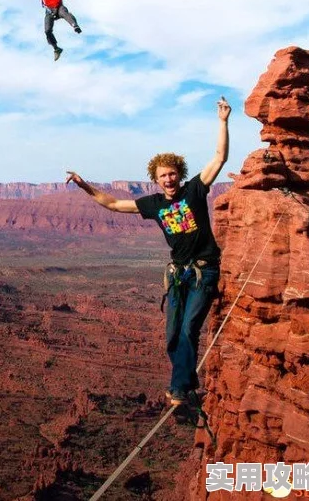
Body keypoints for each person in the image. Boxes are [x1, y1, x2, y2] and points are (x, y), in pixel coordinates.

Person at [66, 96, 231, 405]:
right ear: (156, 179)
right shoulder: (154, 205)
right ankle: (186, 379)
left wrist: (222, 122)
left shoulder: (194, 190)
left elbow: (219, 157)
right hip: (179, 274)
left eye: (172, 174)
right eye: (162, 176)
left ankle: (180, 388)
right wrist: (83, 185)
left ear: (179, 174)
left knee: (188, 330)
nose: (168, 179)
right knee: (172, 337)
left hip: (204, 271)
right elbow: (114, 204)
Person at [17, 0, 82, 61]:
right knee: (47, 31)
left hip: (59, 8)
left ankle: (75, 25)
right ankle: (56, 48)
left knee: (64, 13)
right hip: (49, 12)